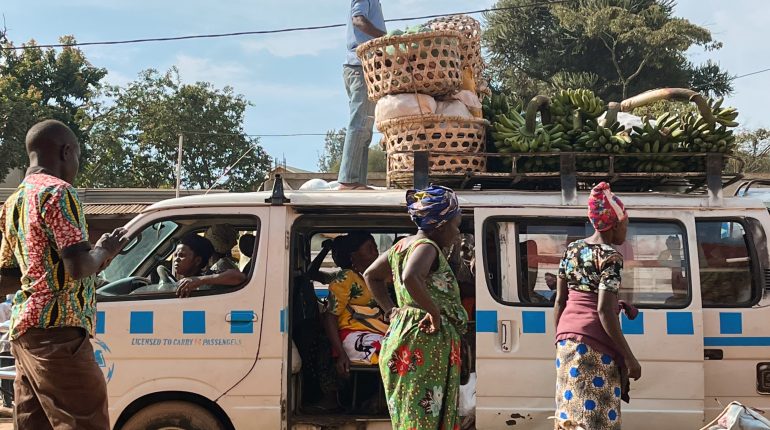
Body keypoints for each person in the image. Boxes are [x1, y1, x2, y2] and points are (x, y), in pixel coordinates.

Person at [0, 119, 128, 430]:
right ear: (66, 151)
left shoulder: (13, 202)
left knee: (34, 424)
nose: (77, 166)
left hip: (26, 332)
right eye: (78, 157)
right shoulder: (60, 193)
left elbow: (8, 276)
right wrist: (104, 251)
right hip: (59, 332)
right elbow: (77, 267)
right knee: (85, 421)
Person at [364, 185, 468, 430]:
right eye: (456, 225)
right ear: (441, 225)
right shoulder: (426, 247)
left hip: (405, 335)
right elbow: (411, 276)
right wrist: (433, 312)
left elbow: (371, 275)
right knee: (423, 417)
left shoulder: (402, 246)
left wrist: (391, 310)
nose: (457, 233)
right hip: (424, 340)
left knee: (412, 415)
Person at [553, 182, 642, 430]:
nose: (627, 229)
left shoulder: (572, 249)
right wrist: (629, 357)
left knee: (570, 415)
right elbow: (603, 310)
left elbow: (560, 301)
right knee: (597, 417)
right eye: (625, 223)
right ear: (614, 225)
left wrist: (559, 340)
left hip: (566, 343)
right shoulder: (610, 257)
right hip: (595, 345)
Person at [338, 0, 386, 190]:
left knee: (365, 127)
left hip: (361, 68)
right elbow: (358, 20)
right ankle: (348, 180)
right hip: (359, 67)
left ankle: (357, 181)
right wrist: (384, 37)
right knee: (359, 123)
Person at [323, 233, 386, 375]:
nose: (376, 252)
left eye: (375, 247)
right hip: (353, 337)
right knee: (397, 353)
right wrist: (341, 354)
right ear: (353, 255)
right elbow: (330, 317)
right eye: (370, 248)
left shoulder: (374, 277)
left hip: (375, 332)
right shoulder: (347, 277)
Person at [171, 234, 246, 298]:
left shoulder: (209, 279)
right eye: (175, 255)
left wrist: (200, 280)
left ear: (198, 261)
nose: (176, 259)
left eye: (181, 255)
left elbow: (239, 277)